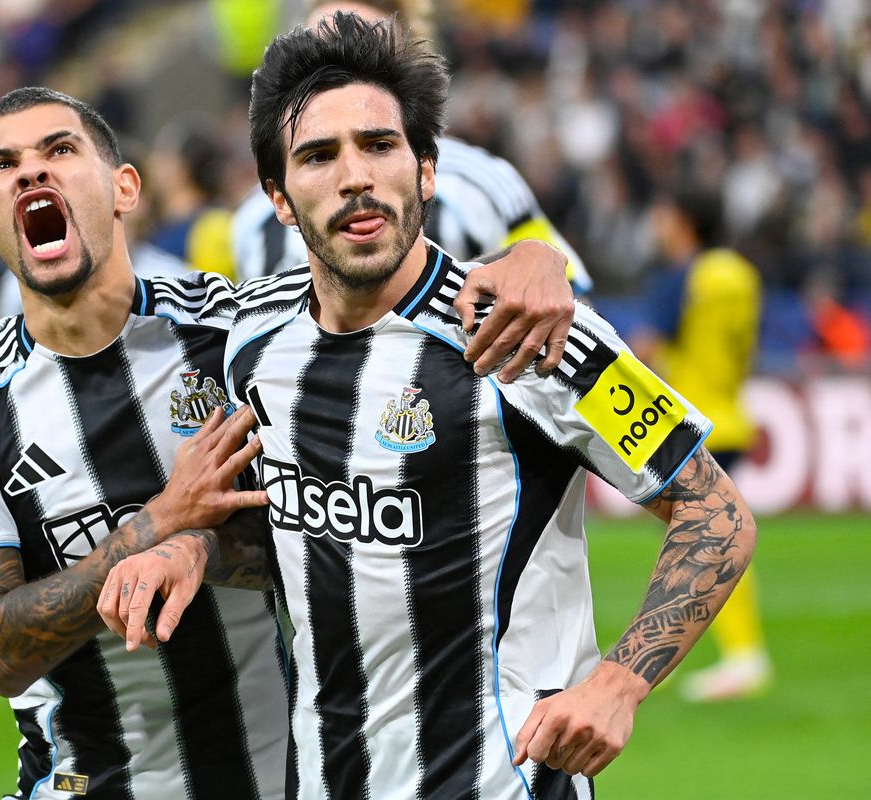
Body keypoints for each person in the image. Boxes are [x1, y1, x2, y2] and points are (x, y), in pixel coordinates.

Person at [99, 15, 757, 798]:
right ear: (278, 198)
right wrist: (194, 550)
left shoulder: (532, 331)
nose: (354, 176)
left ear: (426, 171)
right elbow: (296, 539)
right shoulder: (253, 338)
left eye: (379, 146)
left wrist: (619, 683)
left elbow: (716, 516)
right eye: (318, 156)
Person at [0, 85, 578, 798]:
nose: (31, 173)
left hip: (275, 781)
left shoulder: (235, 331)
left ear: (124, 188)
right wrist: (160, 522)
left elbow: (389, 282)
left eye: (60, 151)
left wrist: (535, 257)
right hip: (81, 783)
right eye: (5, 164)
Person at [230, 0, 594, 299]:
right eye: (318, 57)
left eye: (363, 51)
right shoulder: (252, 222)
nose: (338, 77)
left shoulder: (484, 183)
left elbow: (566, 296)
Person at [635, 189, 773, 702]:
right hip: (733, 410)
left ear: (685, 221)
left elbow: (648, 349)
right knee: (716, 528)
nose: (658, 222)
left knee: (705, 537)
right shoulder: (739, 272)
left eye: (665, 212)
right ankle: (739, 654)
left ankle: (742, 656)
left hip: (690, 423)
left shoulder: (683, 275)